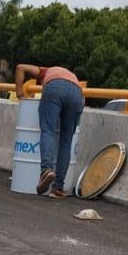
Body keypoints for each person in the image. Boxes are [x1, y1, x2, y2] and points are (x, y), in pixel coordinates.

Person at [17, 63, 83, 197]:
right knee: (66, 140)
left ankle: (46, 170)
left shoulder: (45, 71)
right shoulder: (70, 75)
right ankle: (58, 187)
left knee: (48, 131)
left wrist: (19, 90)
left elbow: (20, 68)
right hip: (77, 92)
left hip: (54, 88)